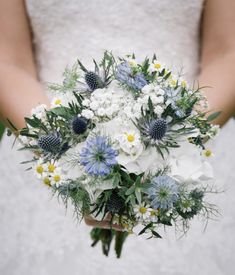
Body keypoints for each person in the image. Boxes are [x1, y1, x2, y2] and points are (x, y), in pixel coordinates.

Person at [0, 0, 235, 274]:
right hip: (47, 151)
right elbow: (9, 61)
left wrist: (176, 143)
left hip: (185, 143)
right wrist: (66, 159)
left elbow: (227, 53)